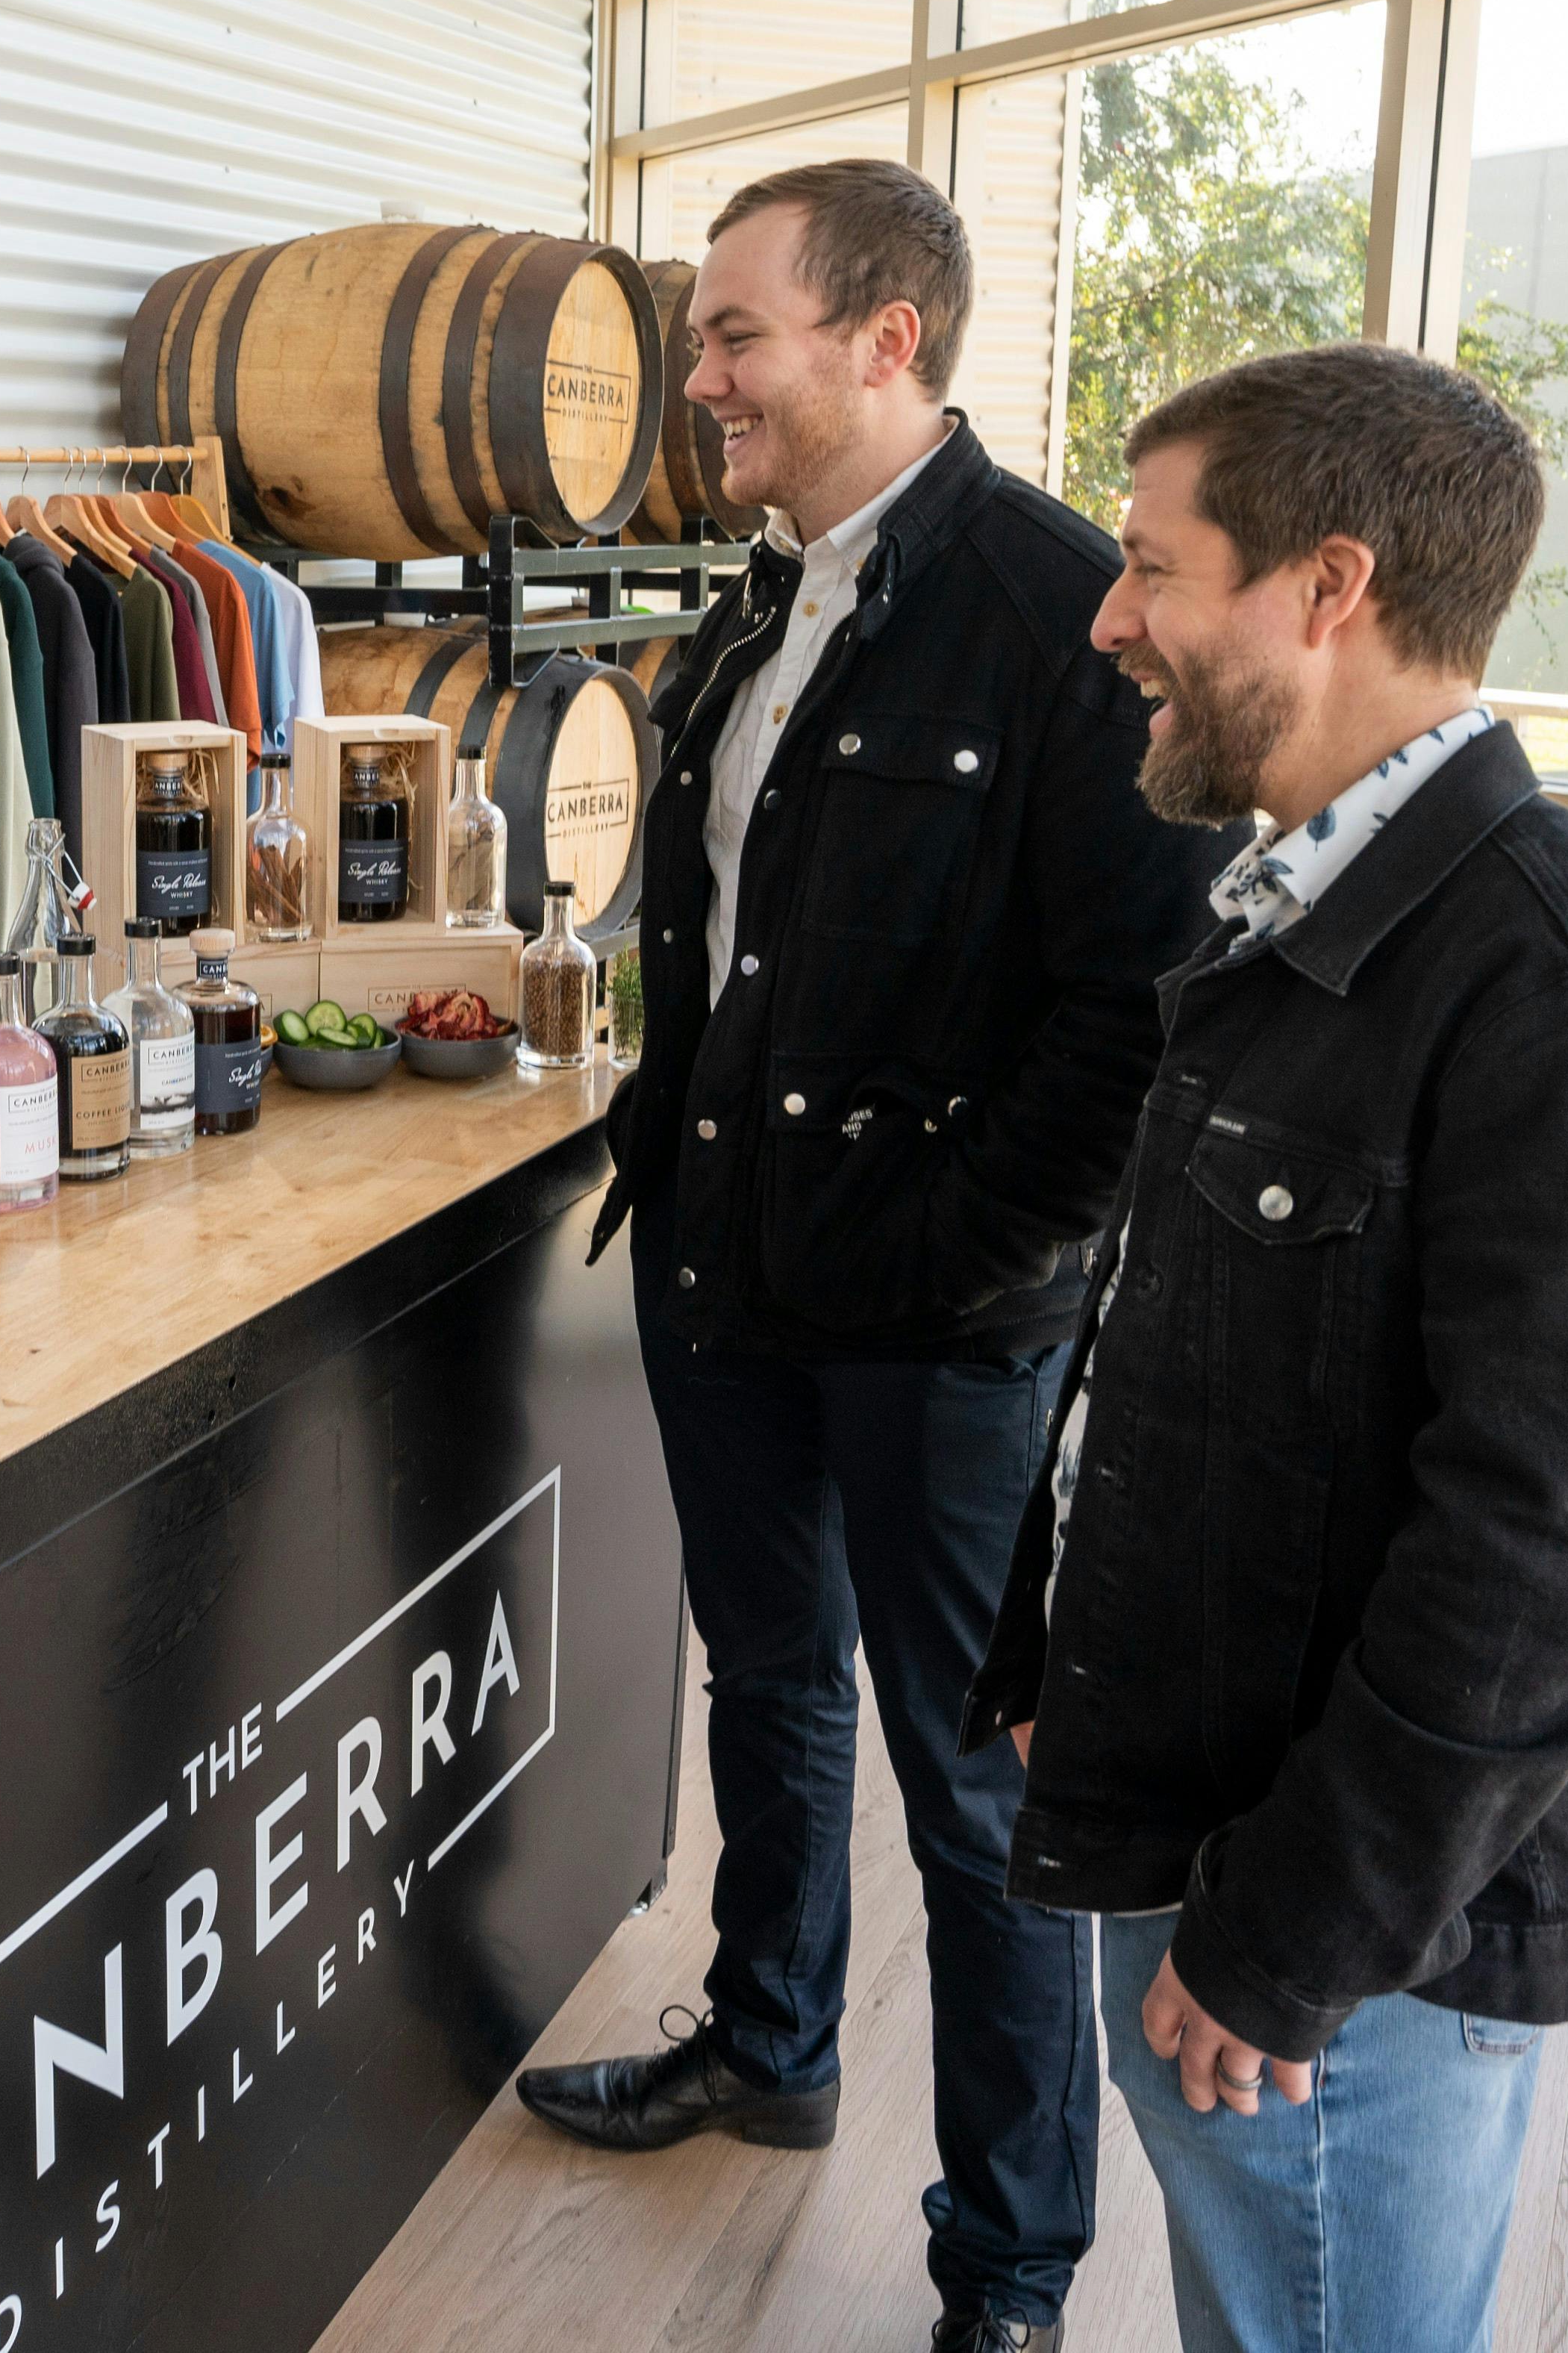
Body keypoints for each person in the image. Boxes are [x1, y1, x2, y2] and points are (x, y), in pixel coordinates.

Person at [961, 343, 1568, 2353]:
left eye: (1154, 566)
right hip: (1226, 1825)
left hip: (1353, 1939)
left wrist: (1284, 1942)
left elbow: (1564, 1558)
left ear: (1327, 588)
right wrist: (1064, 1665)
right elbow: (1187, 1356)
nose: (1107, 615)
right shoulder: (1306, 911)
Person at [521, 160, 1234, 2353]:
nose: (700, 372)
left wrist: (950, 1249)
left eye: (736, 332)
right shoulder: (752, 602)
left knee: (980, 1793)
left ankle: (1007, 2268)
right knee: (768, 1686)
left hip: (937, 1324)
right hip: (729, 1271)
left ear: (885, 339)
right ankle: (772, 2039)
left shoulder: (1049, 609)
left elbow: (1135, 1009)